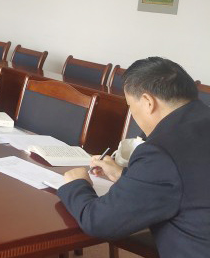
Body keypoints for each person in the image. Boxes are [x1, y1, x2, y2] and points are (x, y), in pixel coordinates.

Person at [57, 57, 210, 257]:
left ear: (148, 102)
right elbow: (186, 180)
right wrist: (125, 175)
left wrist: (77, 184)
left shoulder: (160, 151)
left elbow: (99, 222)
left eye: (130, 105)